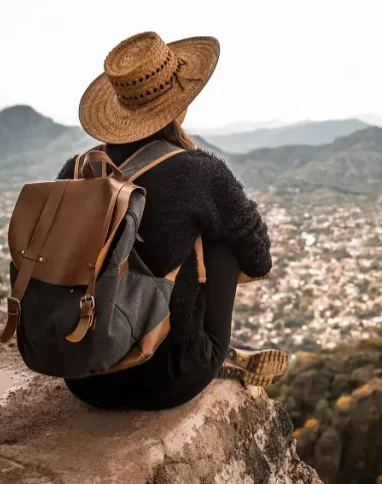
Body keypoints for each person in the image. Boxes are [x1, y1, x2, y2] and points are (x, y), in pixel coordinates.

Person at [59, 31, 287, 410]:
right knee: (224, 236)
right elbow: (258, 259)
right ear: (179, 103)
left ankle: (210, 343)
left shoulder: (79, 169)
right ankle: (214, 349)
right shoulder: (200, 173)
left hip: (81, 371)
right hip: (166, 378)